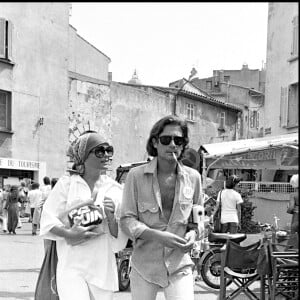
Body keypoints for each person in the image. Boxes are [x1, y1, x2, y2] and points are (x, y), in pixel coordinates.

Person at [120, 115, 203, 300]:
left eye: (178, 140)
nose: (172, 144)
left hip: (179, 263)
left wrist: (193, 234)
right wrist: (157, 235)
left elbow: (199, 220)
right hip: (144, 265)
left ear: (183, 145)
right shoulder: (136, 176)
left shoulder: (194, 178)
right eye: (166, 139)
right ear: (155, 142)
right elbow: (126, 220)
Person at [39, 131, 126, 300]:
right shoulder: (67, 184)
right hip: (71, 264)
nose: (106, 155)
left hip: (102, 267)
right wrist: (69, 233)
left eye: (109, 150)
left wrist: (111, 217)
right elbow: (47, 219)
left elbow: (118, 240)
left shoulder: (115, 189)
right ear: (84, 156)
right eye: (100, 150)